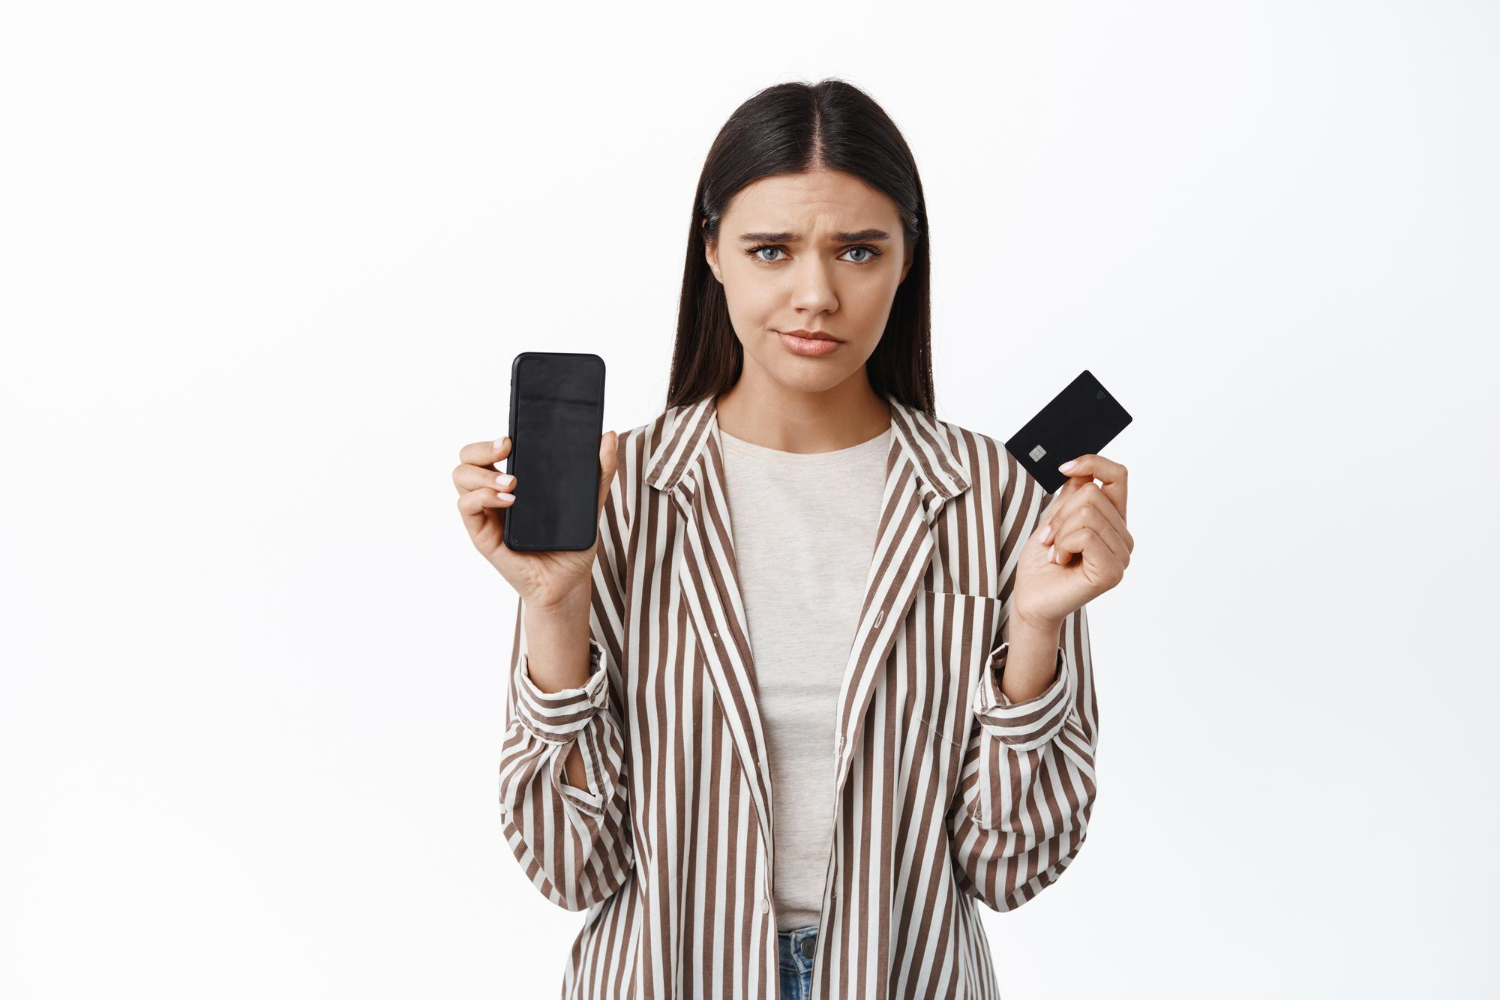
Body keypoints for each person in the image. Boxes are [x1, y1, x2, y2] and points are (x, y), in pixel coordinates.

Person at [453, 78, 1132, 1000]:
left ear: (906, 263)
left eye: (858, 250)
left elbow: (1012, 867)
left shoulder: (993, 498)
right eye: (770, 249)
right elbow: (571, 867)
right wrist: (553, 605)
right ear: (713, 255)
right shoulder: (620, 494)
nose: (815, 295)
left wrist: (1037, 636)